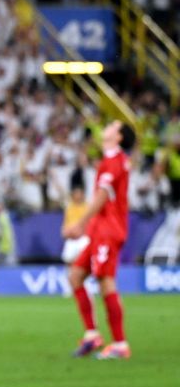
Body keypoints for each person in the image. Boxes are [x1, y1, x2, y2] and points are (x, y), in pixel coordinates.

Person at [62, 120, 135, 359]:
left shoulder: (114, 161)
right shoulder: (111, 160)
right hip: (99, 230)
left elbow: (103, 195)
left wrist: (79, 223)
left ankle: (120, 344)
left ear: (119, 137)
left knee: (105, 281)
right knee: (75, 276)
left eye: (114, 125)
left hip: (108, 231)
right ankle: (92, 335)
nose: (109, 125)